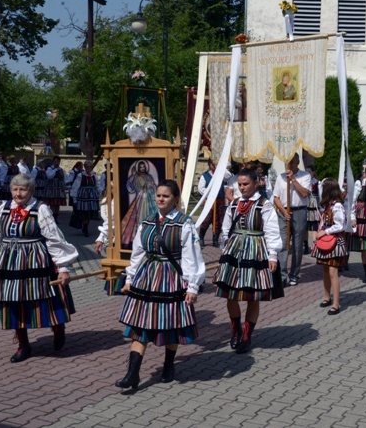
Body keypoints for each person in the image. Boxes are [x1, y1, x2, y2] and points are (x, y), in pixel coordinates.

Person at [0, 173, 78, 363]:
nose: (18, 194)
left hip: (36, 260)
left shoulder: (41, 208)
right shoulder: (4, 208)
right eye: (15, 189)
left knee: (45, 298)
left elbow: (54, 238)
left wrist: (63, 266)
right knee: (12, 301)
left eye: (23, 189)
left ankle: (58, 328)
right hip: (8, 262)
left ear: (30, 191)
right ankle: (23, 345)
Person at [115, 180, 205, 389]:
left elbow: (192, 256)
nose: (161, 199)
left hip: (172, 278)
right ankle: (133, 373)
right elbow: (137, 253)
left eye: (166, 196)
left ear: (174, 199)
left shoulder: (185, 223)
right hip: (146, 278)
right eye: (158, 195)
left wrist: (192, 286)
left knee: (171, 323)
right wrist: (129, 279)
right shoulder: (146, 221)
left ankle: (168, 365)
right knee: (140, 324)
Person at [214, 168, 283, 354]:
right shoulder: (235, 204)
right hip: (235, 251)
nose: (242, 188)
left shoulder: (265, 205)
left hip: (256, 250)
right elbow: (226, 228)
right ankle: (235, 329)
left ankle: (246, 335)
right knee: (230, 294)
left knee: (253, 296)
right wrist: (224, 249)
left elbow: (272, 231)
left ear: (255, 183)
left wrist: (273, 255)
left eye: (246, 184)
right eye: (240, 184)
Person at [273, 153, 311, 287]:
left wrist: (293, 180)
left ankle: (294, 274)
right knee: (283, 244)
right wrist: (283, 211)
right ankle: (282, 275)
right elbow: (276, 197)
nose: (290, 165)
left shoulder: (305, 176)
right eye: (288, 162)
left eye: (293, 162)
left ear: (298, 162)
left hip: (299, 210)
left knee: (297, 244)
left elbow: (305, 193)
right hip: (284, 212)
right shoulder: (280, 178)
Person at [311, 178, 348, 315]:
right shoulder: (327, 206)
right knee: (325, 271)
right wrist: (317, 237)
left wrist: (324, 232)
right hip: (325, 240)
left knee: (333, 272)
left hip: (334, 241)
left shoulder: (337, 206)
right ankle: (327, 297)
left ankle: (336, 303)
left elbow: (340, 226)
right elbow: (322, 223)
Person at [121, 160, 157, 247]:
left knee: (150, 215)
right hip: (139, 199)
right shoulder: (135, 177)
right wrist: (133, 176)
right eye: (140, 167)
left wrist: (151, 186)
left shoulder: (149, 176)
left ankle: (149, 235)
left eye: (143, 167)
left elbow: (153, 188)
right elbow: (130, 187)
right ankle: (137, 237)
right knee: (137, 217)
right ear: (138, 168)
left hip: (148, 199)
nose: (142, 168)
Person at [197, 160, 230, 247]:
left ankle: (215, 239)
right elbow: (201, 188)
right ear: (209, 165)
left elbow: (229, 177)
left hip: (220, 200)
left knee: (219, 220)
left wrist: (222, 168)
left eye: (216, 164)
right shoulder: (205, 176)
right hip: (210, 201)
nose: (214, 166)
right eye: (213, 164)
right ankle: (201, 237)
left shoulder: (221, 174)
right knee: (207, 219)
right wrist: (210, 193)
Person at [70, 160, 101, 237]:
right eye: (87, 166)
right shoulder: (80, 175)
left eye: (90, 166)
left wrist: (101, 192)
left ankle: (85, 227)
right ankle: (85, 228)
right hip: (83, 197)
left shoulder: (94, 175)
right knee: (84, 213)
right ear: (85, 167)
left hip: (92, 197)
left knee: (89, 213)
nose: (88, 168)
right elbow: (75, 186)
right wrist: (74, 198)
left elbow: (97, 185)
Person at [44, 156, 67, 223]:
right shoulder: (50, 168)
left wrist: (65, 185)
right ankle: (51, 218)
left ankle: (56, 218)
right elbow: (49, 176)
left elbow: (64, 178)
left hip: (59, 188)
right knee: (52, 204)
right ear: (53, 162)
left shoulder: (61, 169)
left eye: (58, 161)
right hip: (52, 189)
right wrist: (55, 170)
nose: (56, 163)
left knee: (58, 204)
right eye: (55, 161)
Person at [305, 165, 320, 253]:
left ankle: (315, 244)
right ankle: (306, 245)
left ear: (313, 173)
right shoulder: (303, 182)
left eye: (309, 172)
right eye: (306, 172)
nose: (307, 174)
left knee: (315, 226)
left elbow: (320, 195)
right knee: (305, 226)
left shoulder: (317, 182)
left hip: (314, 205)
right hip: (306, 205)